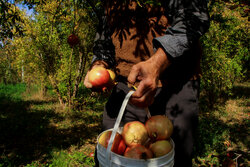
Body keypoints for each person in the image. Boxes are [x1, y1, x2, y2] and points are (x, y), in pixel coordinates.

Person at [84, 0, 210, 166]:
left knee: (174, 158)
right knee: (112, 157)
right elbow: (104, 41)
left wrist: (156, 64)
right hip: (126, 87)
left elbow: (193, 17)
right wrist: (99, 66)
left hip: (176, 86)